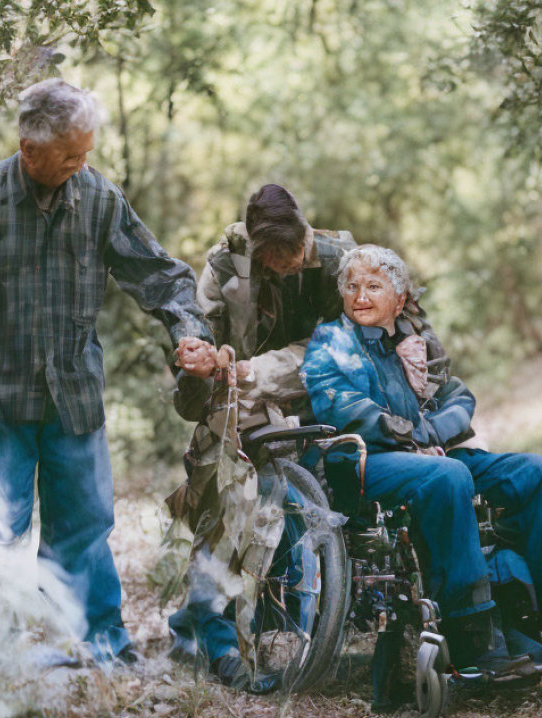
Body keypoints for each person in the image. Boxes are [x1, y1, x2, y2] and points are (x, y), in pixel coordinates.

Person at [0, 78, 213, 663]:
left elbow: (161, 276)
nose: (82, 163)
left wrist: (191, 334)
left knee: (85, 532)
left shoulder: (98, 198)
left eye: (87, 152)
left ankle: (100, 650)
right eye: (71, 154)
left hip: (73, 398)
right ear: (29, 148)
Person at [166, 185, 443, 692]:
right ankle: (215, 636)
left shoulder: (339, 258)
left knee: (339, 501)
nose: (286, 267)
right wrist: (200, 360)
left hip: (319, 390)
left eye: (293, 255)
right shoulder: (227, 268)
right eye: (273, 260)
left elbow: (391, 316)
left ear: (305, 234)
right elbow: (194, 332)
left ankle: (366, 616)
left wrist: (409, 349)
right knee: (230, 504)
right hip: (242, 398)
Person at [301, 244, 542, 674]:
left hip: (430, 455)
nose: (360, 296)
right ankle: (473, 631)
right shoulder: (329, 342)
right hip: (367, 464)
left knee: (535, 473)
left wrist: (432, 432)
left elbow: (459, 398)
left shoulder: (415, 342)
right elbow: (342, 406)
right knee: (448, 476)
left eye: (374, 285)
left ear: (401, 298)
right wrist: (411, 432)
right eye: (351, 287)